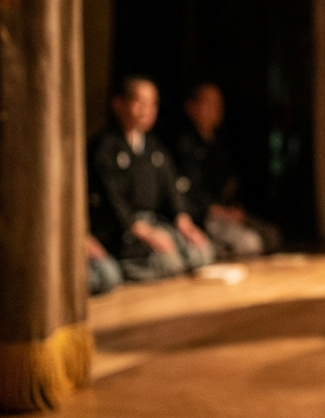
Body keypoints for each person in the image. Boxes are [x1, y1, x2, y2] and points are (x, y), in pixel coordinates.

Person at [88, 76, 215, 281]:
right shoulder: (105, 147)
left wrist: (184, 221)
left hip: (155, 221)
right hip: (126, 228)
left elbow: (171, 188)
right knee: (169, 263)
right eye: (140, 102)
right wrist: (143, 231)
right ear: (118, 104)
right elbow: (112, 199)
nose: (146, 110)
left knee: (203, 252)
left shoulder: (154, 147)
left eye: (152, 104)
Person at [174, 83, 283, 257]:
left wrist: (234, 207)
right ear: (191, 107)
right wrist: (214, 209)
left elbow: (230, 185)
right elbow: (187, 192)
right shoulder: (183, 146)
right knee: (249, 243)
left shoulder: (219, 145)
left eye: (218, 103)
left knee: (271, 235)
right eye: (208, 103)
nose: (216, 109)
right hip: (202, 216)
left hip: (225, 211)